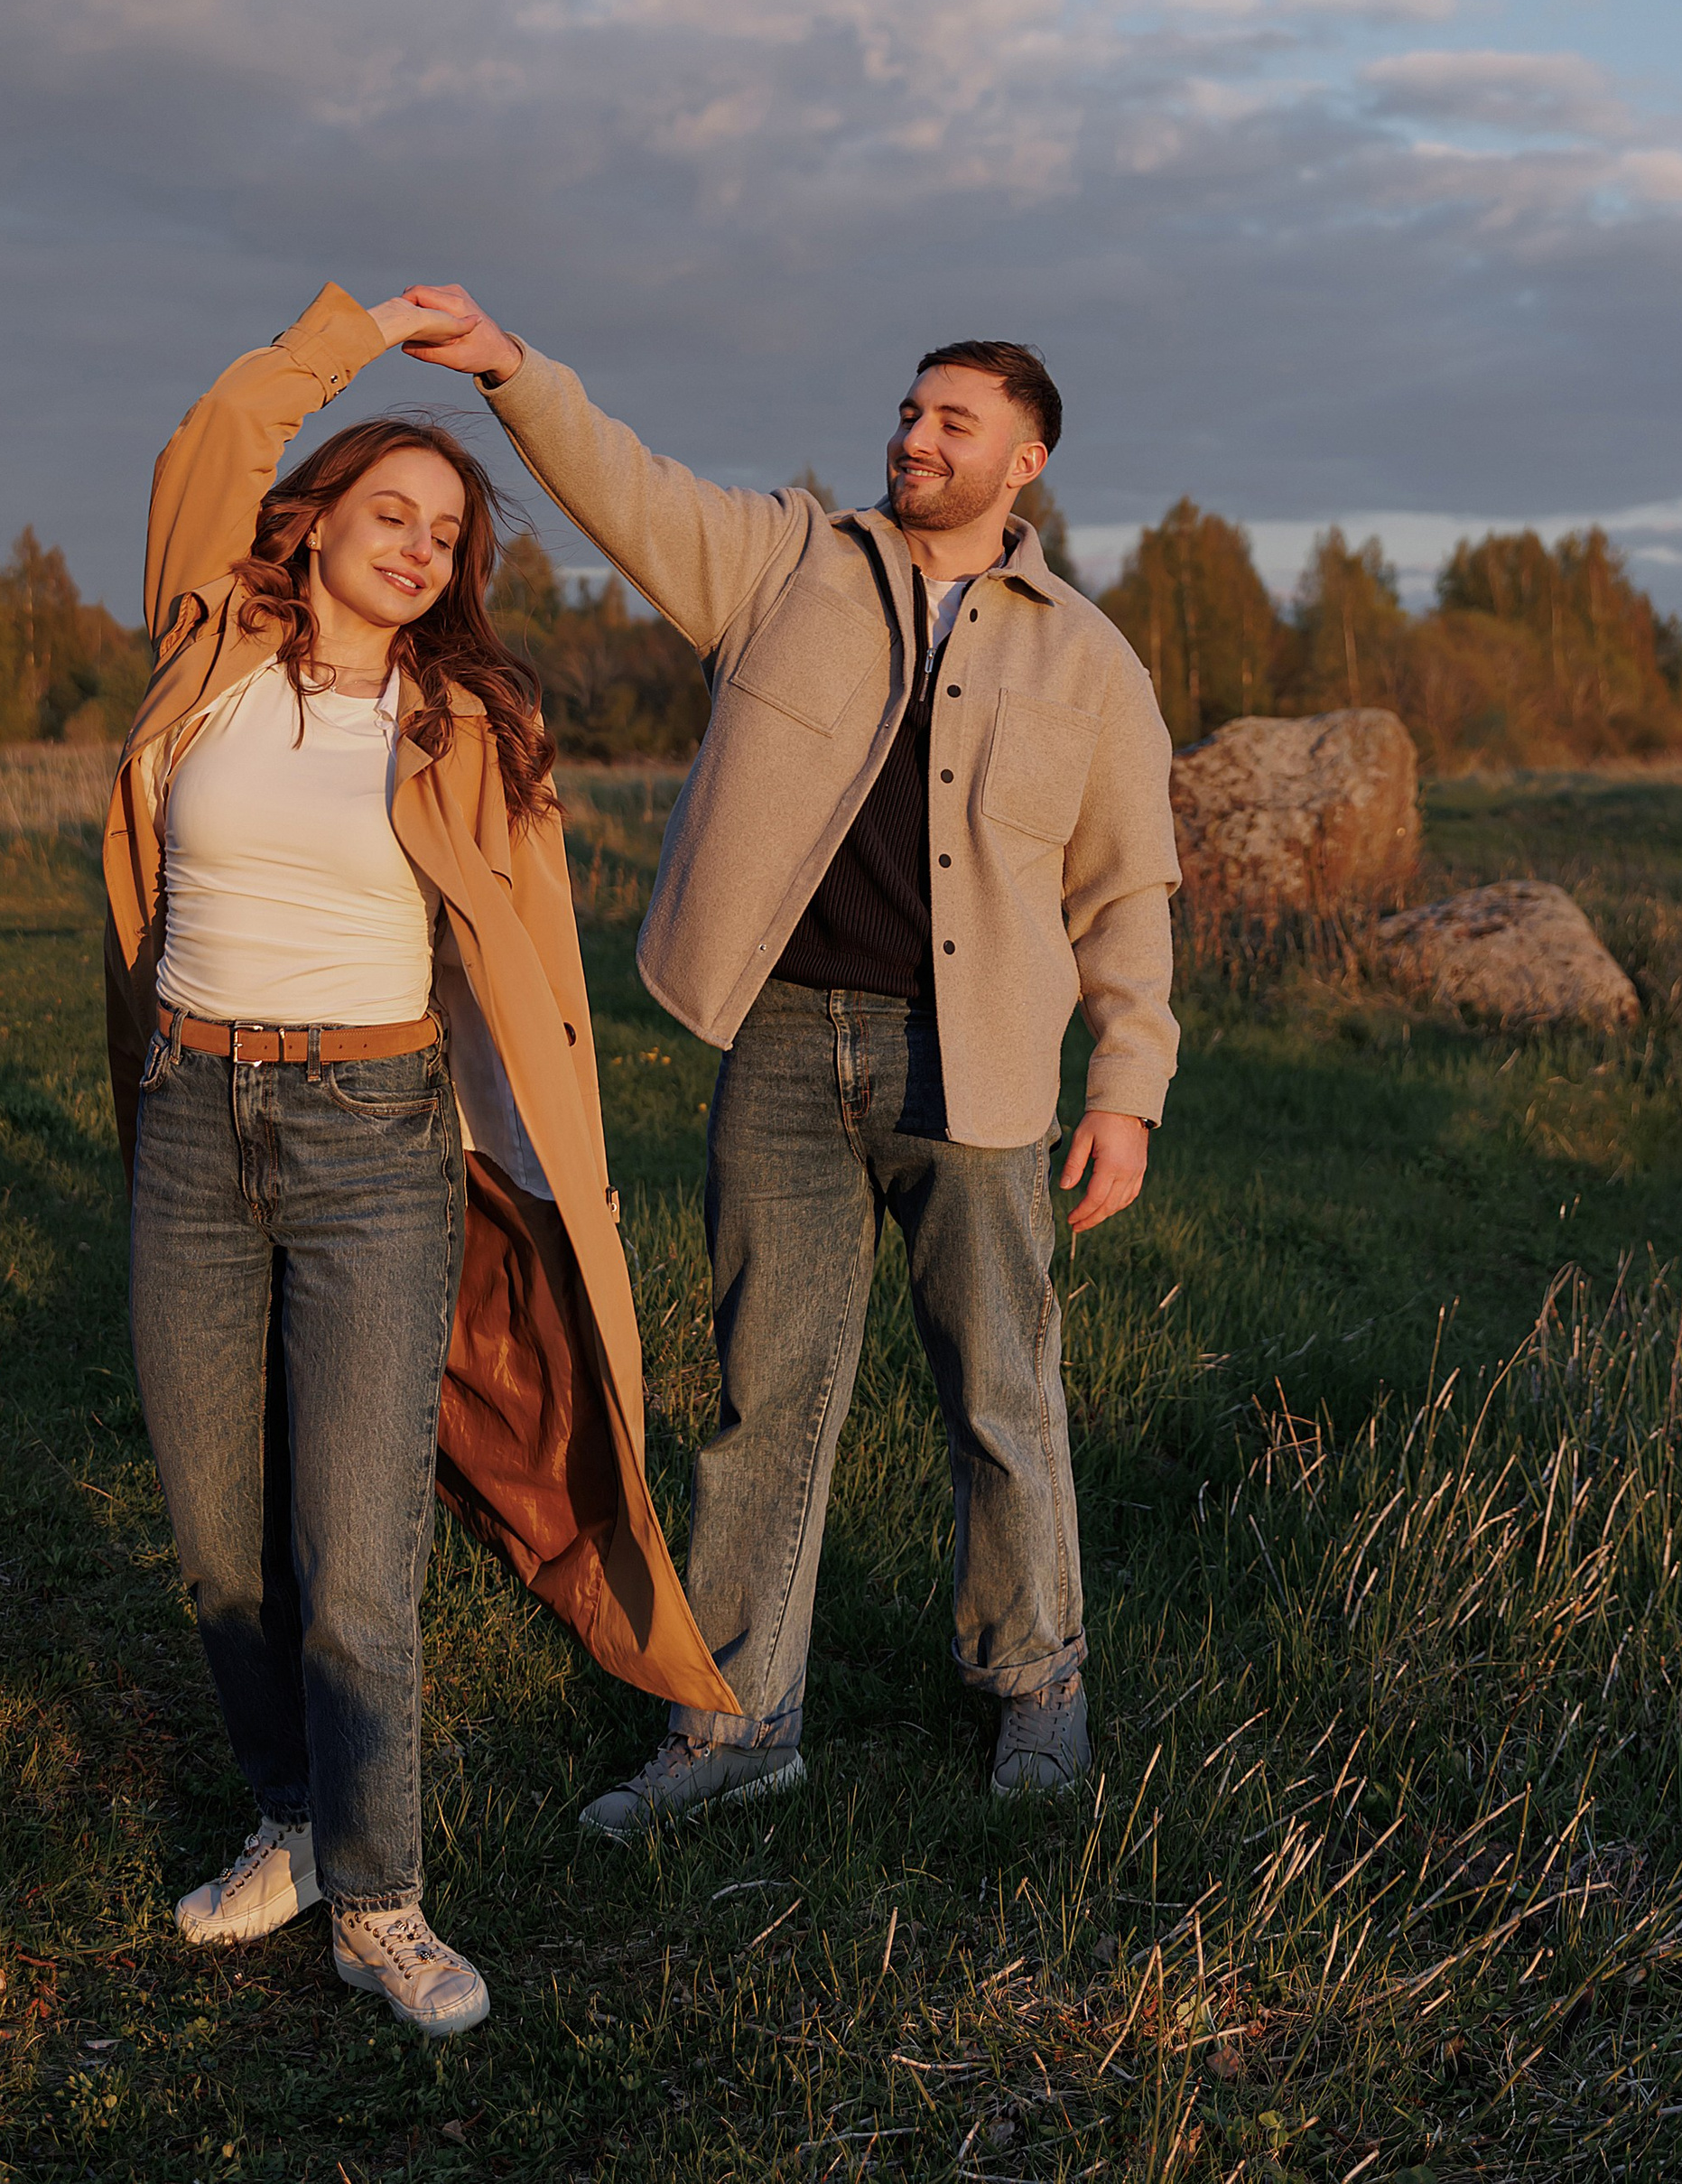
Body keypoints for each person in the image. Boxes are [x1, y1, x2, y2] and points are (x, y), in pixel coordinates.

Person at [401, 291, 1181, 1832]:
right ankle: (740, 1722)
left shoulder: (1090, 662)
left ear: (1025, 460)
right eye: (909, 410)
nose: (915, 436)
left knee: (1002, 1394)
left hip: (981, 1070)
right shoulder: (789, 566)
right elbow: (624, 485)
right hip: (776, 1045)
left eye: (954, 421)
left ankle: (1037, 1685)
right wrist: (510, 370)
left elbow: (1127, 887)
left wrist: (1128, 1089)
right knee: (765, 1399)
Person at [101, 282, 732, 2036]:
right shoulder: (205, 649)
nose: (416, 547)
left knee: (357, 1556)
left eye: (446, 534)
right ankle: (291, 1823)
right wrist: (361, 334)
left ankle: (381, 1897)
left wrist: (546, 1187)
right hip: (192, 1131)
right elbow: (213, 433)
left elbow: (528, 989)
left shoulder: (466, 727)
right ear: (308, 524)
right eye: (391, 510)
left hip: (377, 1145)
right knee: (226, 1540)